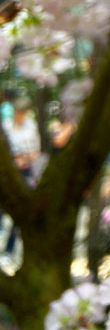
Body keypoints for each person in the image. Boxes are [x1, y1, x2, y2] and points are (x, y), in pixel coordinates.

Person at [1, 95, 41, 270]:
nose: (19, 115)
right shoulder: (6, 127)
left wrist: (26, 159)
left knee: (20, 209)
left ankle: (9, 250)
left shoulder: (31, 127)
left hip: (26, 170)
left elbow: (36, 151)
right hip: (7, 171)